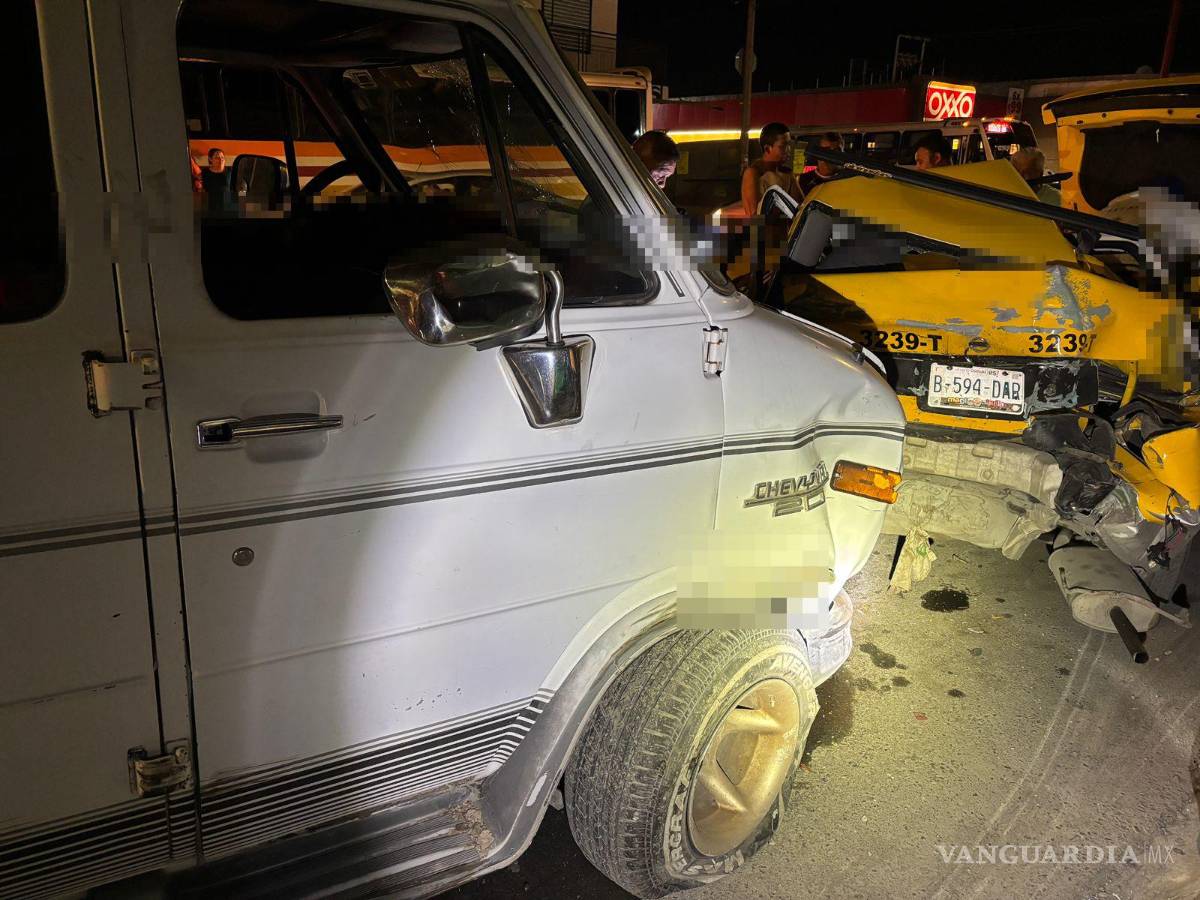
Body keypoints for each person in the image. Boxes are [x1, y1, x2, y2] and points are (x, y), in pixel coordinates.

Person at [741, 122, 795, 217]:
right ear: (767, 148)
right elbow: (754, 214)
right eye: (783, 146)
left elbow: (800, 206)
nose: (788, 150)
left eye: (789, 145)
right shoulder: (753, 173)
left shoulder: (787, 172)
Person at [796, 132, 846, 198]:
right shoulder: (805, 179)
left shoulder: (848, 178)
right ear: (818, 153)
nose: (833, 155)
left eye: (837, 151)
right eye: (827, 150)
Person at [201, 147, 231, 211]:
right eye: (217, 158)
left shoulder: (230, 172)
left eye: (222, 157)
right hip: (210, 206)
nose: (220, 160)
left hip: (227, 206)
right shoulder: (205, 172)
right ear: (210, 159)